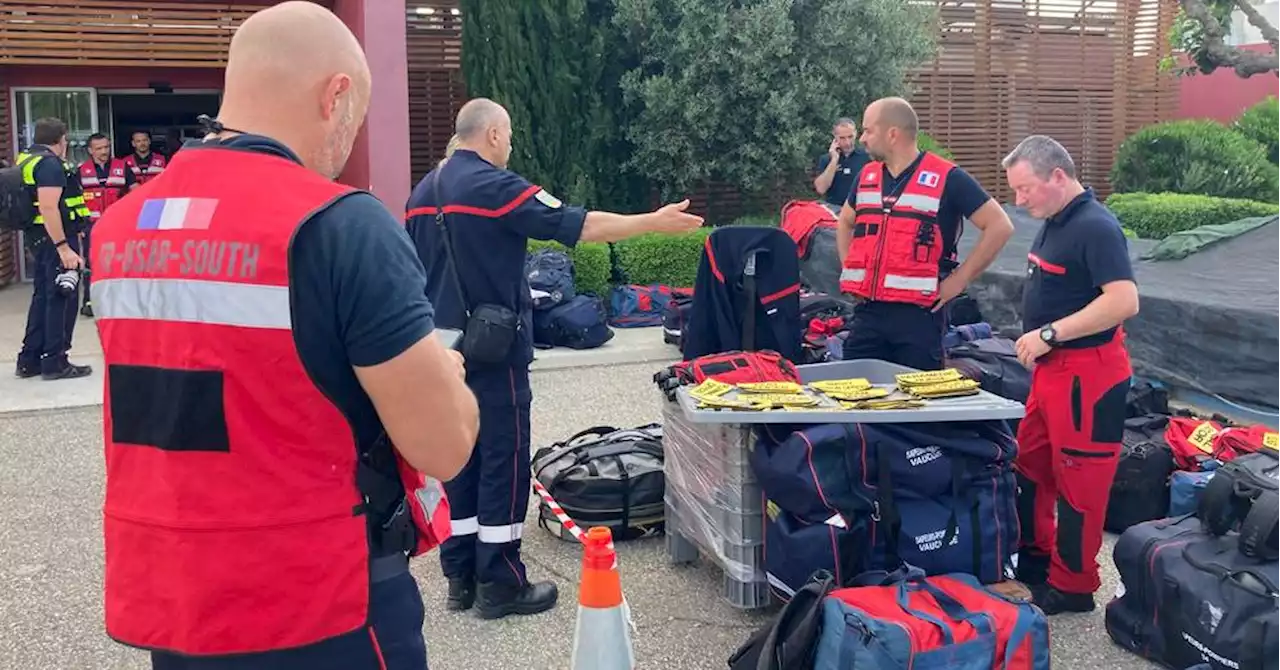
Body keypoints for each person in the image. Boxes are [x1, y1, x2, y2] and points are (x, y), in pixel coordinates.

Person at [90, 3, 479, 668]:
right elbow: (442, 447)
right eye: (354, 121)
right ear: (337, 95)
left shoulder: (121, 229)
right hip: (320, 604)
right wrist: (447, 378)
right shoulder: (339, 225)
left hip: (179, 603)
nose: (348, 143)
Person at [405, 97, 704, 620]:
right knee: (504, 458)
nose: (512, 145)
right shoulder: (494, 187)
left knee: (459, 461)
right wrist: (652, 221)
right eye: (511, 135)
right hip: (494, 352)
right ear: (494, 134)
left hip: (443, 350)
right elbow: (580, 225)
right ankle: (500, 581)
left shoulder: (420, 193)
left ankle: (461, 576)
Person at [1002, 135, 1139, 615]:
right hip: (1052, 373)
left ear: (1057, 176)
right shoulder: (1054, 219)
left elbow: (1123, 301)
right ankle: (1036, 563)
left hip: (1088, 376)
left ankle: (1074, 587)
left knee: (1080, 485)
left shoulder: (1096, 227)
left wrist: (1051, 333)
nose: (1019, 201)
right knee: (1031, 467)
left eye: (1025, 189)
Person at [837, 97, 1014, 370]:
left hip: (919, 317)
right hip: (868, 312)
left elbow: (1000, 225)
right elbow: (845, 222)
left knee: (917, 405)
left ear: (892, 134)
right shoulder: (866, 176)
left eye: (868, 130)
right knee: (851, 396)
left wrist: (960, 280)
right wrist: (850, 267)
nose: (862, 138)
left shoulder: (948, 177)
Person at [13, 117, 93, 380]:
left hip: (38, 238)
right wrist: (63, 248)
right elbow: (48, 207)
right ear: (61, 140)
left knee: (43, 298)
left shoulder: (26, 159)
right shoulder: (49, 164)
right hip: (55, 240)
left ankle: (30, 359)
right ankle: (55, 361)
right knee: (62, 297)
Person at [76, 132, 136, 317]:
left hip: (117, 226)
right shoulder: (80, 171)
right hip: (91, 226)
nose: (104, 151)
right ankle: (90, 301)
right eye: (99, 148)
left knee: (120, 262)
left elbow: (136, 194)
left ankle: (120, 301)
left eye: (106, 147)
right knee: (91, 264)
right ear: (90, 150)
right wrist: (78, 227)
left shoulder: (122, 167)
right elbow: (74, 201)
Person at [813, 117, 870, 211]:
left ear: (855, 133)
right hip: (834, 211)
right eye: (842, 138)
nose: (847, 142)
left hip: (860, 210)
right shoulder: (826, 159)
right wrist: (834, 160)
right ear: (835, 137)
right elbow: (821, 189)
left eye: (850, 137)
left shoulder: (867, 156)